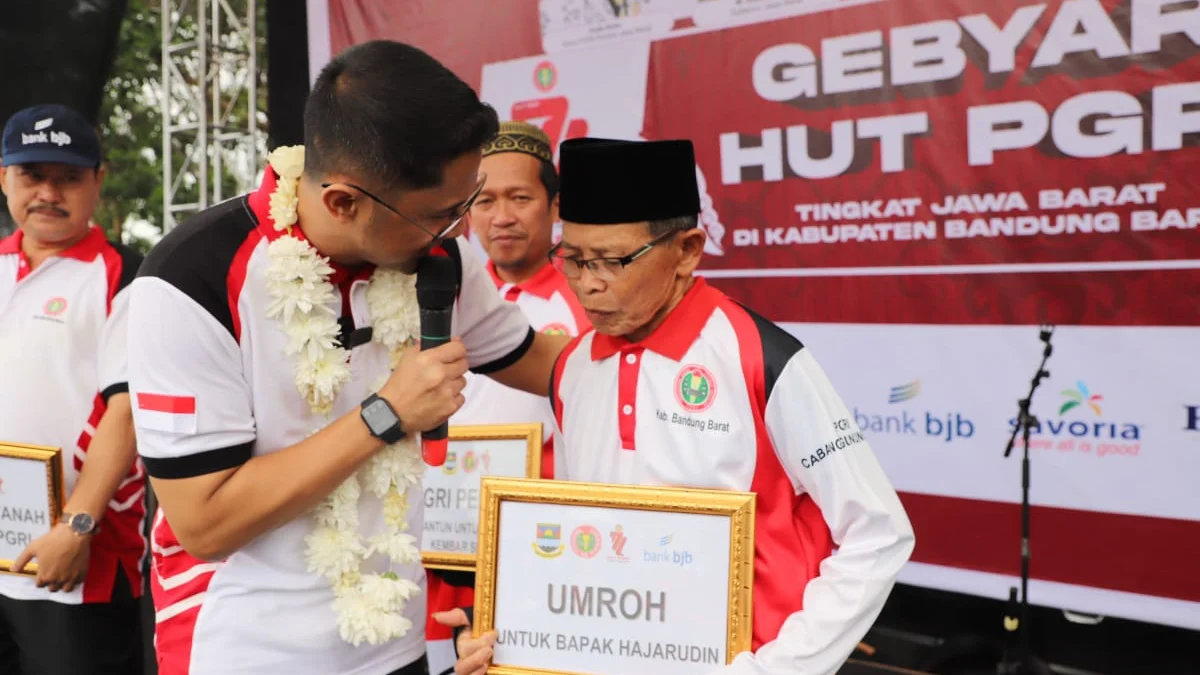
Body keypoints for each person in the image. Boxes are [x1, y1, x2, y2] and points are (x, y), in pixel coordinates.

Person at [126, 41, 567, 675]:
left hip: (395, 639)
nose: (463, 230)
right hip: (243, 647)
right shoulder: (190, 279)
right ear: (343, 202)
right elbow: (205, 522)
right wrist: (385, 414)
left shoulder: (437, 255)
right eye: (445, 214)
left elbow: (540, 362)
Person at [444, 138, 915, 675]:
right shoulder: (575, 365)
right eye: (572, 259)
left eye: (612, 261)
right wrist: (516, 619)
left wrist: (779, 668)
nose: (589, 284)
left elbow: (878, 532)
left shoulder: (758, 355)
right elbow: (580, 534)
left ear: (688, 250)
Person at [424, 121, 588, 675]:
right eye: (485, 200)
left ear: (554, 206)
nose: (502, 216)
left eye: (520, 198)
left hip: (542, 544)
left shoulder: (590, 298)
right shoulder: (440, 291)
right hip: (444, 538)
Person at [0, 104, 146, 674]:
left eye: (68, 177)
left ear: (98, 182)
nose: (48, 193)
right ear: (4, 177)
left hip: (78, 560)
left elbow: (126, 412)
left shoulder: (126, 275)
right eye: (32, 175)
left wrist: (77, 525)